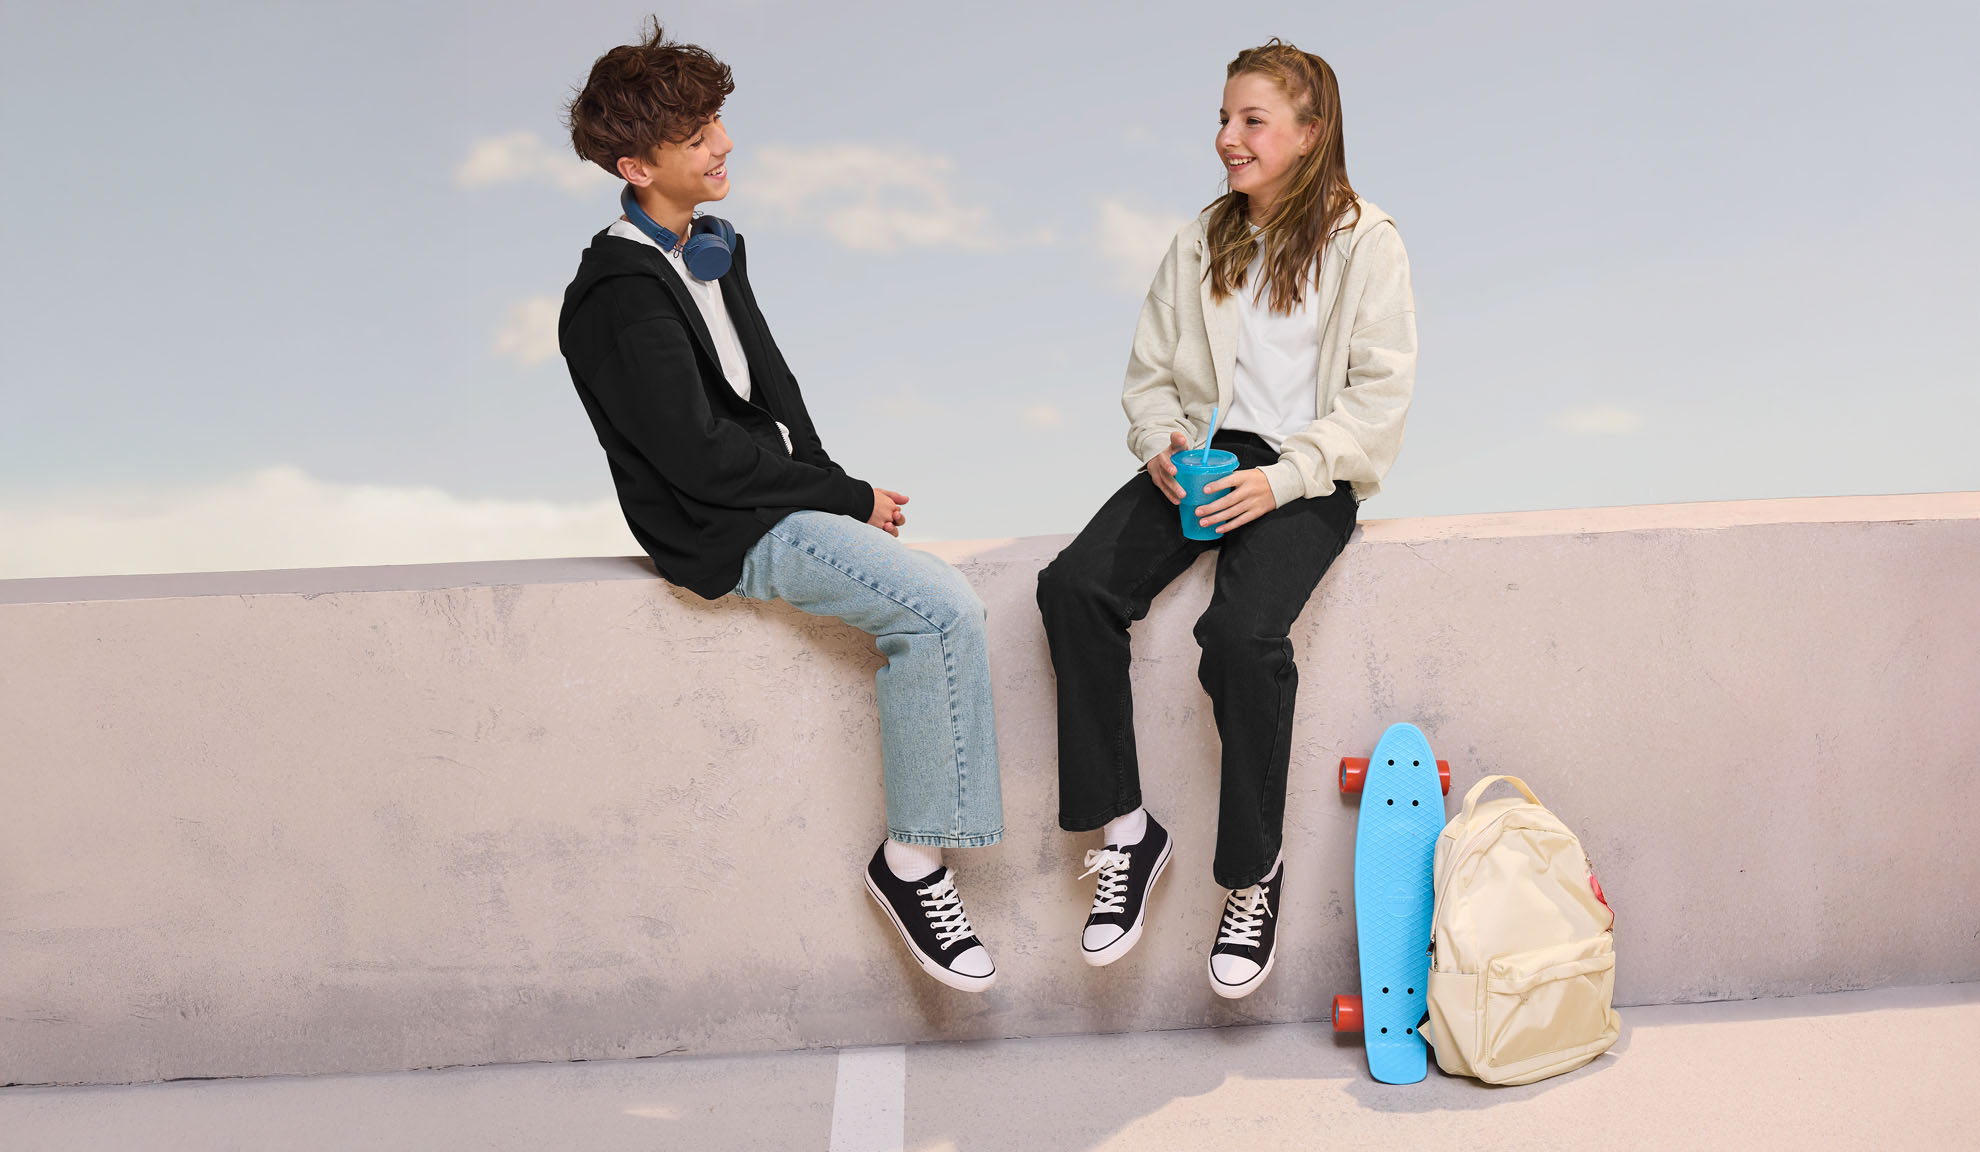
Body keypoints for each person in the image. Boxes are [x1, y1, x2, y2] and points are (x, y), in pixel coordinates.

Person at [556, 22, 1005, 992]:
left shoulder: (711, 244)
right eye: (697, 135)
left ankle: (923, 851)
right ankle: (915, 864)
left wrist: (841, 488)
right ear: (637, 165)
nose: (722, 145)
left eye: (719, 120)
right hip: (725, 529)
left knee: (941, 595)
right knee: (940, 613)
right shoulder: (616, 298)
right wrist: (841, 496)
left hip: (780, 500)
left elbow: (773, 385)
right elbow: (703, 463)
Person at [1036, 39, 1417, 998]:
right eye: (1224, 118)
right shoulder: (1202, 239)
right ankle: (1127, 829)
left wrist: (1285, 482)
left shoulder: (1367, 242)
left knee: (1240, 639)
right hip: (1206, 459)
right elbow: (1150, 377)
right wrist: (1159, 443)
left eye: (1251, 121)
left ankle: (1252, 874)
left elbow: (1376, 405)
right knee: (1073, 587)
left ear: (1309, 132)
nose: (1227, 140)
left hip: (1307, 478)